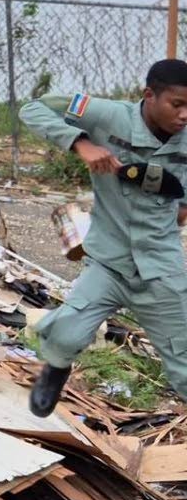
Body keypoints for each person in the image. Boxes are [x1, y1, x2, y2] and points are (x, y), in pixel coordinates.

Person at [20, 60, 187, 416]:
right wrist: (81, 143)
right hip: (108, 263)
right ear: (149, 95)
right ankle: (55, 369)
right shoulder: (106, 115)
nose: (185, 115)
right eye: (178, 104)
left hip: (160, 267)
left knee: (184, 363)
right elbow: (33, 107)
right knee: (66, 336)